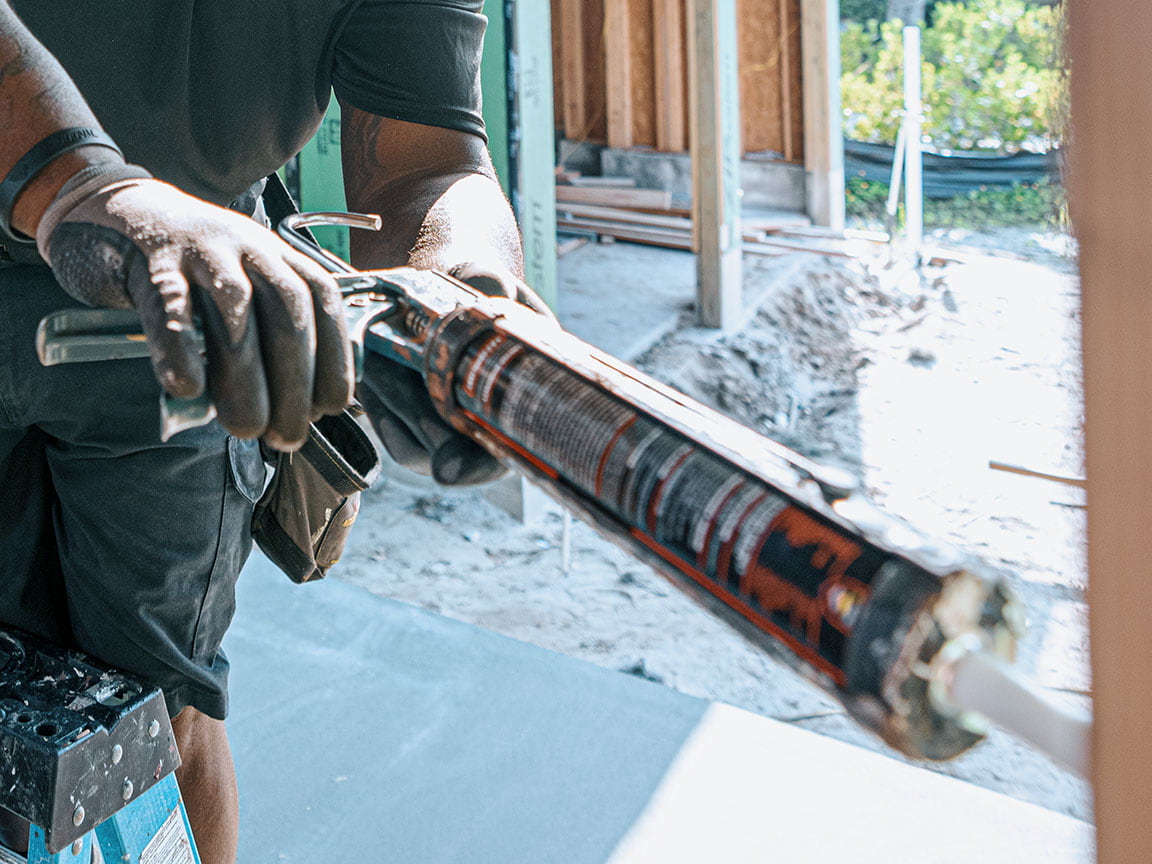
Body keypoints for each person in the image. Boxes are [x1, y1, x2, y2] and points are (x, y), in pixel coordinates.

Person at [0, 3, 531, 863]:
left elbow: (426, 163)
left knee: (158, 708)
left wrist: (464, 292)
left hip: (190, 297)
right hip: (119, 230)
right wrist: (86, 187)